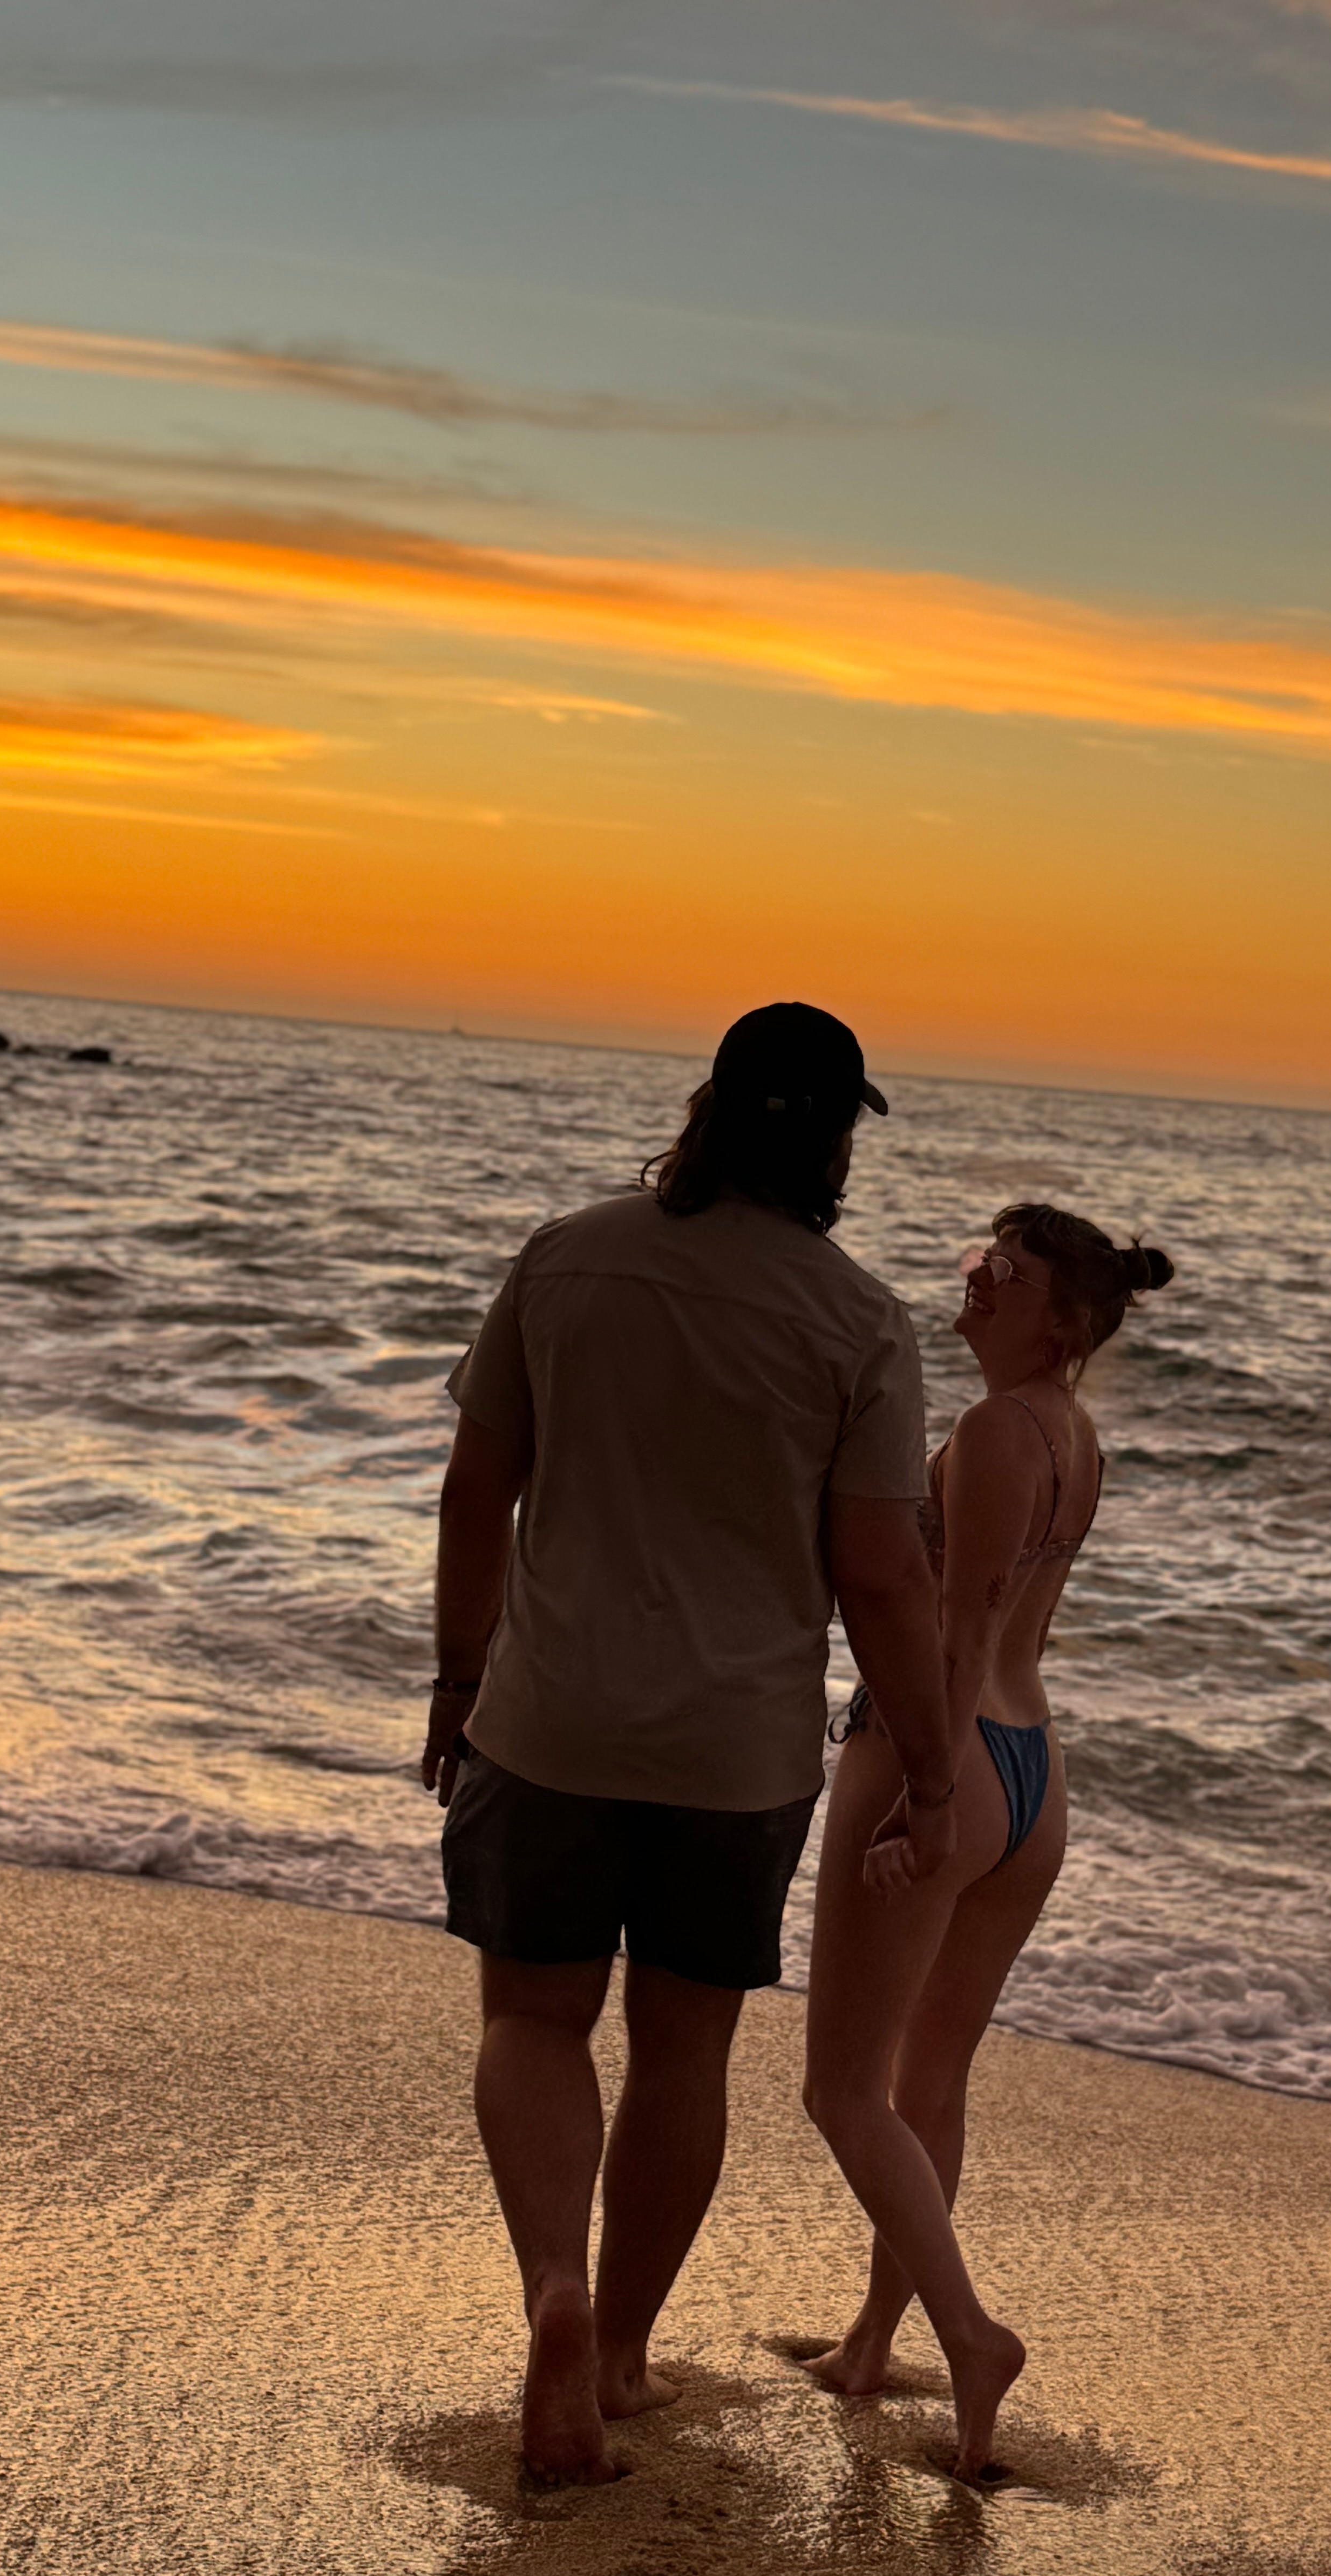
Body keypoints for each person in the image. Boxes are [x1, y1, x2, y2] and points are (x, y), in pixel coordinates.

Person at [422, 1004, 956, 2484]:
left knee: (531, 2022)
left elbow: (479, 1487)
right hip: (735, 1755)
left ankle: (552, 2287)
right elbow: (881, 1574)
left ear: (709, 1106)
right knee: (683, 2051)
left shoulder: (568, 1255)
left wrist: (455, 1686)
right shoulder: (857, 1324)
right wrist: (930, 1758)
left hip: (546, 1719)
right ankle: (617, 2358)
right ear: (841, 1137)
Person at [799, 1206, 1176, 2477]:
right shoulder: (1076, 1435)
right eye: (979, 1260)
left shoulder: (996, 1430)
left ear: (1060, 1320)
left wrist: (928, 1790)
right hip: (1035, 1769)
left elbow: (956, 1632)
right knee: (931, 2085)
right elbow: (1016, 1617)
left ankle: (968, 2333)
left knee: (841, 2089)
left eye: (1002, 1275)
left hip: (953, 1755)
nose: (974, 1280)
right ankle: (869, 2343)